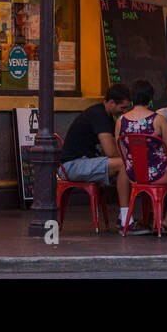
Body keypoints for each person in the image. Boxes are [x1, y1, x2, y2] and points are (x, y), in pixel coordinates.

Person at [58, 84, 136, 231]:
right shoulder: (99, 115)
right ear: (111, 102)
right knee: (125, 165)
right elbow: (110, 151)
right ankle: (125, 219)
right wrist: (132, 156)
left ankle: (125, 216)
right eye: (123, 108)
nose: (125, 112)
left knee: (128, 165)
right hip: (72, 166)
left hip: (83, 162)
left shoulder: (106, 116)